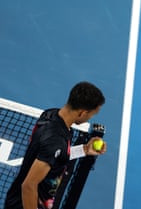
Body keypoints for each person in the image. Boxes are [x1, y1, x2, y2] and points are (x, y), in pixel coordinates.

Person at [4, 81, 107, 209]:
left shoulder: (51, 115)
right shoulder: (55, 141)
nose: (89, 118)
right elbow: (29, 186)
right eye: (91, 114)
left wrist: (84, 149)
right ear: (82, 113)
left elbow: (56, 154)